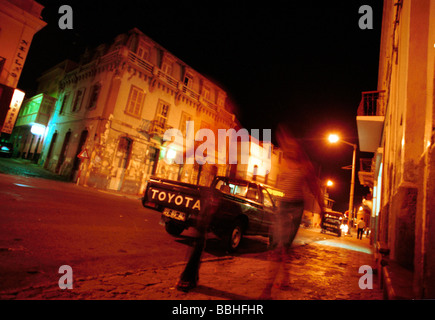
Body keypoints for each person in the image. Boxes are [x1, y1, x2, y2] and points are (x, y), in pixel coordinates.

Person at [260, 125, 325, 299]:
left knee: (281, 246)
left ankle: (267, 290)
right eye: (286, 146)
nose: (288, 149)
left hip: (295, 208)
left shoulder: (305, 167)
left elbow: (315, 189)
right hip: (282, 206)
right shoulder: (283, 163)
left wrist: (323, 209)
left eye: (292, 146)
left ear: (299, 149)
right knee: (279, 247)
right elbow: (278, 186)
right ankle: (285, 278)